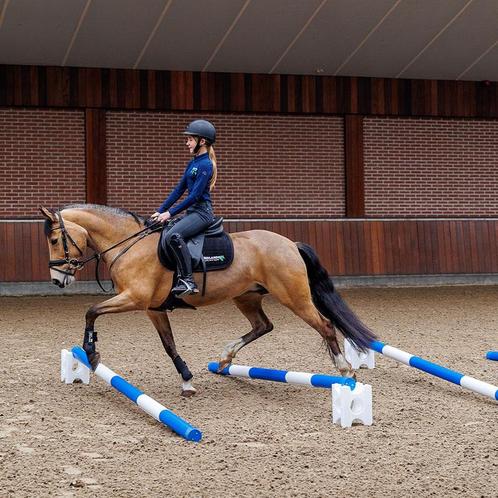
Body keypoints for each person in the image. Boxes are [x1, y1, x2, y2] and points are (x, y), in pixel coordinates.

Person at [151, 119, 217, 297]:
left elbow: (194, 196)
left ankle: (188, 280)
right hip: (192, 212)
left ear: (202, 141)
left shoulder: (205, 165)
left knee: (174, 235)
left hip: (202, 213)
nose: (187, 143)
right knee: (165, 231)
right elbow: (179, 189)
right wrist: (160, 210)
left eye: (190, 139)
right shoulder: (193, 163)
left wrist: (169, 213)